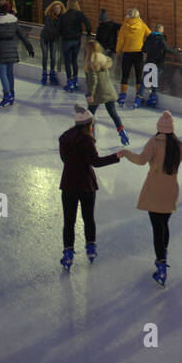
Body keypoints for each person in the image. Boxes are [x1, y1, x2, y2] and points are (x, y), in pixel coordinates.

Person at [119, 109, 182, 286]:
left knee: (157, 228)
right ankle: (164, 254)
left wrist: (126, 153)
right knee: (164, 224)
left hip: (154, 189)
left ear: (159, 128)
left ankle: (161, 264)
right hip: (171, 190)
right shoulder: (178, 145)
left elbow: (141, 160)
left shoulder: (154, 142)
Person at [58, 104, 120, 269]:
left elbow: (64, 160)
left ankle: (68, 253)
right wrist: (116, 156)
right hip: (86, 185)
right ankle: (91, 248)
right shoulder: (87, 140)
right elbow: (96, 162)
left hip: (69, 184)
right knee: (88, 218)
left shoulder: (64, 138)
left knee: (69, 221)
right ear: (88, 124)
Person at [0, 3, 34, 109]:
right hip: (11, 49)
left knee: (3, 74)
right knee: (10, 74)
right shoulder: (13, 22)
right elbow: (22, 36)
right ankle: (12, 94)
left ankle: (7, 95)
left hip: (0, 50)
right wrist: (30, 48)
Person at [83, 38, 128, 142]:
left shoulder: (91, 63)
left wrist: (90, 94)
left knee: (89, 115)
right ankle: (122, 132)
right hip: (108, 91)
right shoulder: (103, 59)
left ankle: (91, 135)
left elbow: (93, 81)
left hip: (97, 93)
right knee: (113, 114)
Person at [116, 8, 151, 106]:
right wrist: (145, 45)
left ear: (128, 15)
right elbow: (151, 35)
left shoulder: (124, 26)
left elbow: (120, 40)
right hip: (138, 53)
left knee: (125, 75)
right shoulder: (142, 25)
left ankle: (123, 95)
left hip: (127, 53)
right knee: (138, 75)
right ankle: (138, 96)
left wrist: (117, 50)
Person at [57, 0, 91, 91]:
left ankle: (69, 81)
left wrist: (60, 35)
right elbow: (88, 23)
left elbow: (59, 28)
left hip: (66, 40)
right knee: (74, 60)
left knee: (67, 62)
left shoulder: (63, 15)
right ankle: (75, 80)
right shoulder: (79, 14)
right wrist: (88, 33)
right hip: (76, 40)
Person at [139, 23, 168, 108]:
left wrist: (150, 51)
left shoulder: (149, 37)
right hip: (158, 63)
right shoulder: (161, 38)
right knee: (154, 81)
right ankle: (153, 97)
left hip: (149, 62)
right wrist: (176, 50)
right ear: (161, 30)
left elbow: (143, 49)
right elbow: (166, 48)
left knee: (145, 81)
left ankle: (138, 98)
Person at [40, 0, 64, 87]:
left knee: (53, 57)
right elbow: (52, 30)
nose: (58, 10)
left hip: (53, 39)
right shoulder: (48, 17)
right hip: (44, 38)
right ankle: (44, 73)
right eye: (56, 8)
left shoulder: (62, 18)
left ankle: (52, 74)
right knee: (45, 55)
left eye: (59, 8)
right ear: (53, 9)